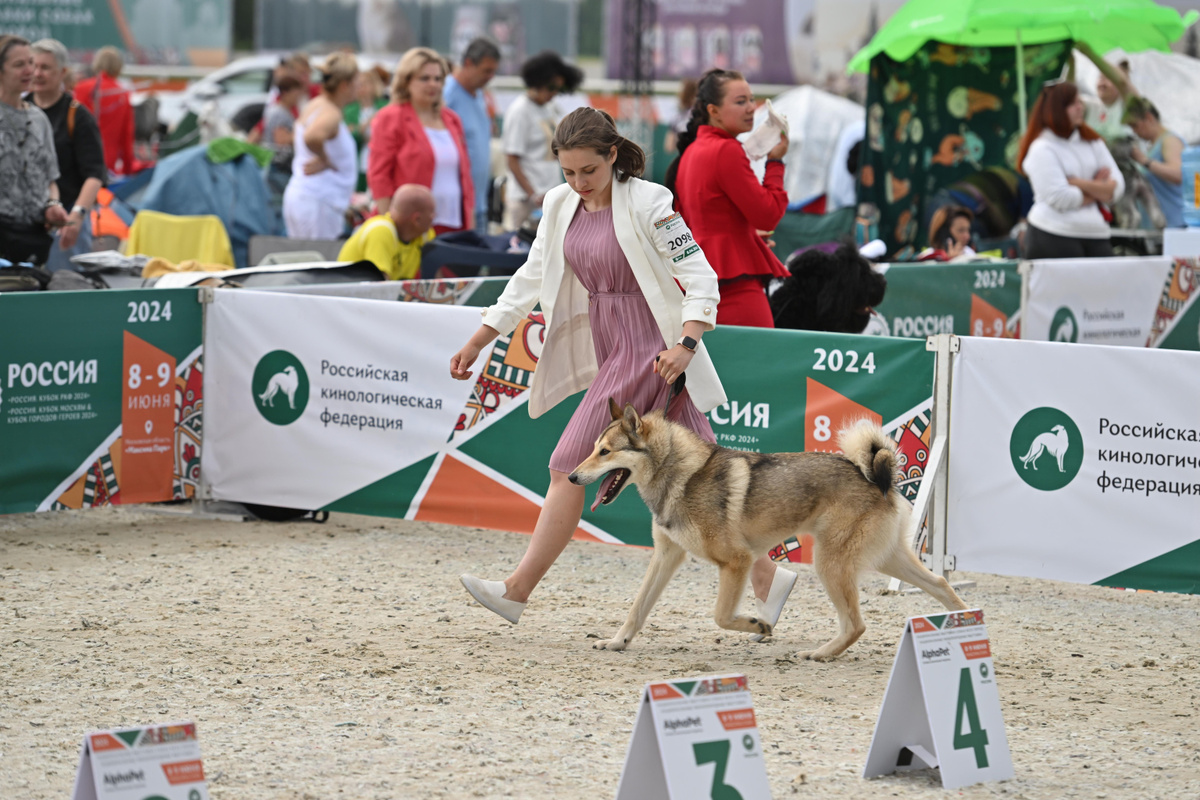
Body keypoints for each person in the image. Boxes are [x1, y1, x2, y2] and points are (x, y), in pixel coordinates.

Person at [451, 107, 797, 633]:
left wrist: (686, 343)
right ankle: (770, 580)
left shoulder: (651, 202)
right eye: (568, 172)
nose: (578, 183)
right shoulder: (558, 203)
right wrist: (481, 338)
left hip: (649, 349)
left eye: (587, 171)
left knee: (569, 462)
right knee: (700, 476)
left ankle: (517, 591)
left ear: (613, 156)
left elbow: (701, 277)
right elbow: (531, 275)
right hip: (612, 344)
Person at [668, 68, 789, 327]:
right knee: (759, 365)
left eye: (751, 99)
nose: (751, 108)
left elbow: (703, 221)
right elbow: (767, 214)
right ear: (713, 111)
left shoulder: (691, 152)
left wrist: (746, 239)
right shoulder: (726, 150)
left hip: (701, 286)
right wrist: (776, 163)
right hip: (735, 290)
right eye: (740, 101)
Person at [369, 47, 473, 235]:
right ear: (406, 81)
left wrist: (470, 222)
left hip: (452, 221)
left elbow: (465, 176)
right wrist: (389, 227)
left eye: (438, 78)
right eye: (424, 78)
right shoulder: (390, 118)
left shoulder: (452, 119)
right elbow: (379, 177)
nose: (433, 84)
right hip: (409, 225)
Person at [1018, 81, 1124, 260]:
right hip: (1052, 234)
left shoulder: (1093, 142)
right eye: (1073, 103)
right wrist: (1099, 189)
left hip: (1096, 234)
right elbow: (1060, 197)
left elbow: (1118, 188)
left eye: (1080, 102)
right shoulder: (1042, 148)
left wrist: (1077, 183)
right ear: (1057, 109)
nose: (1080, 107)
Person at [28, 38, 106, 271]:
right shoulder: (18, 110)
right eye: (33, 66)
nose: (37, 73)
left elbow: (95, 174)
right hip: (26, 223)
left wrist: (76, 216)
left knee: (63, 292)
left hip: (65, 223)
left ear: (62, 72)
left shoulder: (77, 117)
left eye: (45, 67)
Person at [0, 35, 69, 265]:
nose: (29, 70)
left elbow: (50, 179)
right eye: (19, 65)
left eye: (31, 62)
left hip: (34, 241)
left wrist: (53, 205)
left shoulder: (39, 120)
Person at [501, 50, 583, 230]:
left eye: (559, 89)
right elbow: (512, 160)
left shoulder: (550, 107)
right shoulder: (519, 111)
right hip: (526, 202)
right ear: (537, 82)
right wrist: (533, 195)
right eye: (551, 88)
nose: (554, 94)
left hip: (548, 196)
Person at [282, 52, 359, 240]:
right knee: (319, 264)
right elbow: (313, 136)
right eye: (357, 82)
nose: (359, 87)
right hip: (319, 202)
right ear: (344, 85)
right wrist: (325, 159)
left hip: (308, 198)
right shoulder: (331, 113)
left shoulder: (316, 104)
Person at [443, 37, 501, 231]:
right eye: (486, 71)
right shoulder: (446, 96)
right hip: (456, 207)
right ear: (468, 63)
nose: (490, 77)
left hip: (480, 202)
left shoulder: (480, 96)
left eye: (493, 71)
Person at [337, 183, 435, 280]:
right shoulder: (381, 232)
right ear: (417, 220)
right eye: (432, 213)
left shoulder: (424, 235)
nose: (434, 217)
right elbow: (379, 286)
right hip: (347, 292)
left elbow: (438, 281)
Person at [73, 46, 136, 176]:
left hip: (79, 160)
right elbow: (127, 136)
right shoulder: (123, 94)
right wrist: (128, 169)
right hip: (108, 164)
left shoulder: (82, 88)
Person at [1125, 97, 1184, 229]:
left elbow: (1178, 174)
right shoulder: (1153, 146)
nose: (1134, 131)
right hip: (1161, 228)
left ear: (1149, 118)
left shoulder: (1170, 141)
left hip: (1177, 224)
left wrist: (1143, 161)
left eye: (1135, 125)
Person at [261, 73, 305, 222]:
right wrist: (304, 134)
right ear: (286, 93)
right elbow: (281, 140)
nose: (298, 96)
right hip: (279, 169)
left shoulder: (278, 111)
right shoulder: (279, 113)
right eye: (296, 93)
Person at [344, 67, 387, 192]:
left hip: (381, 157)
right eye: (359, 84)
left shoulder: (385, 105)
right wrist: (361, 130)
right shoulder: (349, 110)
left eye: (366, 84)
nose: (362, 88)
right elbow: (349, 135)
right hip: (359, 158)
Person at [1085, 59, 1136, 142]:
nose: (1102, 82)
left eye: (1108, 78)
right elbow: (1068, 99)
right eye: (1100, 77)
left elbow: (1123, 83)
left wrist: (1089, 53)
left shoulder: (1126, 106)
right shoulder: (1090, 105)